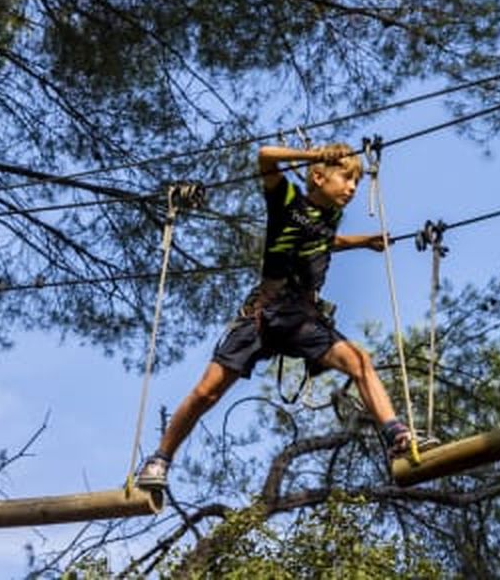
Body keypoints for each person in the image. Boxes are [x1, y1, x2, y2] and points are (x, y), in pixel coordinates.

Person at [137, 143, 411, 489]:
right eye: (346, 178)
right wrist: (316, 154)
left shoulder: (330, 216)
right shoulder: (286, 200)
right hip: (263, 315)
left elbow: (325, 239)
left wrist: (362, 242)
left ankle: (396, 435)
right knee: (207, 393)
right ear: (318, 176)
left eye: (356, 182)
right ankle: (159, 459)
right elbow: (265, 156)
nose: (353, 188)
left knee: (359, 360)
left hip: (302, 319)